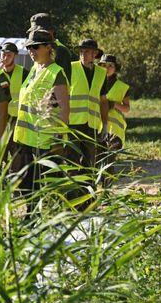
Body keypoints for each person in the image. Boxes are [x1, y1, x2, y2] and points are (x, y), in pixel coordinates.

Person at [11, 30, 69, 210]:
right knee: (26, 183)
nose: (31, 51)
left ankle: (40, 217)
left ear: (48, 47)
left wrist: (60, 137)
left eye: (35, 47)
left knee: (42, 184)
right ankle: (33, 215)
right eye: (29, 47)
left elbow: (64, 108)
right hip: (25, 138)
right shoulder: (35, 70)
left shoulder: (55, 72)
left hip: (44, 140)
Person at [69, 38, 109, 170]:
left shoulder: (101, 73)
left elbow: (103, 101)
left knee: (89, 161)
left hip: (92, 124)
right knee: (72, 160)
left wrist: (105, 125)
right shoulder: (70, 68)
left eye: (86, 52)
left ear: (95, 54)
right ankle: (72, 190)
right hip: (73, 123)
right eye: (81, 52)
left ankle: (87, 189)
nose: (83, 54)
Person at [98, 54, 130, 182]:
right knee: (97, 159)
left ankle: (107, 190)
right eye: (103, 65)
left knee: (109, 160)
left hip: (115, 130)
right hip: (98, 126)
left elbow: (127, 108)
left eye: (110, 65)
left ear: (115, 68)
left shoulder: (122, 87)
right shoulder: (95, 82)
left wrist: (114, 104)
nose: (106, 68)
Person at [28, 13, 73, 81]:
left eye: (41, 30)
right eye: (34, 31)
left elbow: (64, 82)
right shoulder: (37, 49)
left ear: (51, 31)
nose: (36, 34)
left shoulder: (61, 51)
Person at [0, 41, 28, 121]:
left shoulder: (24, 73)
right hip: (0, 117)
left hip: (18, 118)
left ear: (15, 55)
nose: (5, 58)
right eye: (3, 55)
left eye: (9, 55)